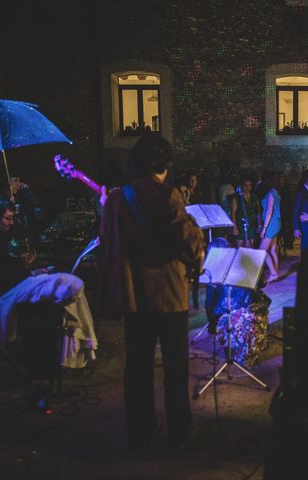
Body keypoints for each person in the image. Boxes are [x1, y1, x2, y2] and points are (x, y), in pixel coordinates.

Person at [98, 133, 205, 451]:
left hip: (135, 294)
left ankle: (140, 429)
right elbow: (189, 243)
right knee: (175, 367)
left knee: (138, 365)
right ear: (164, 163)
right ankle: (179, 431)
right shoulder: (168, 194)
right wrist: (195, 230)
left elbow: (108, 243)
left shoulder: (119, 197)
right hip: (169, 294)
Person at [259, 170, 282, 283]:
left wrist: (264, 228)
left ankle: (273, 273)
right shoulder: (276, 192)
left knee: (262, 250)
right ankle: (275, 273)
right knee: (272, 250)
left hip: (271, 224)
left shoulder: (271, 194)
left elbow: (269, 211)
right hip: (276, 223)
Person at [231, 175, 260, 248]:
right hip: (240, 225)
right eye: (245, 185)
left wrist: (259, 225)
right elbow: (233, 214)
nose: (248, 188)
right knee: (240, 247)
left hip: (252, 225)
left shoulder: (254, 197)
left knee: (250, 247)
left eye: (250, 185)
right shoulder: (236, 198)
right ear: (241, 186)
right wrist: (235, 227)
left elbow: (258, 212)